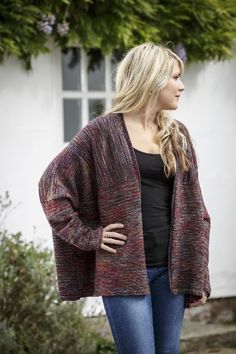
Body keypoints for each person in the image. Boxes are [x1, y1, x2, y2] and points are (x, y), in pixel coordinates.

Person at [38, 43, 211, 354]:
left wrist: (197, 272)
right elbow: (53, 186)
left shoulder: (178, 134)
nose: (181, 86)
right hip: (124, 270)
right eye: (174, 77)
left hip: (172, 271)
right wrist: (87, 235)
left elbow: (197, 210)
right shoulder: (101, 133)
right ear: (151, 79)